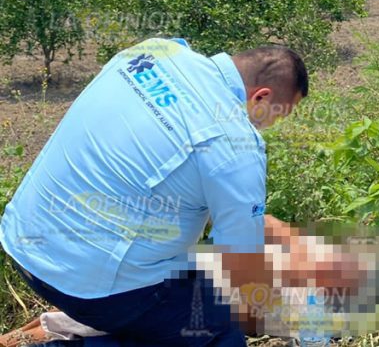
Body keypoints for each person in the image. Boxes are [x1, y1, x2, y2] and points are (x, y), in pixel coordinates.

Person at [0, 38, 359, 345]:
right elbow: (241, 269)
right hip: (85, 284)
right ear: (261, 97)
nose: (269, 127)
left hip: (21, 241)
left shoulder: (156, 49)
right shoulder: (236, 143)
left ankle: (77, 324)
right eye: (277, 116)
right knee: (217, 328)